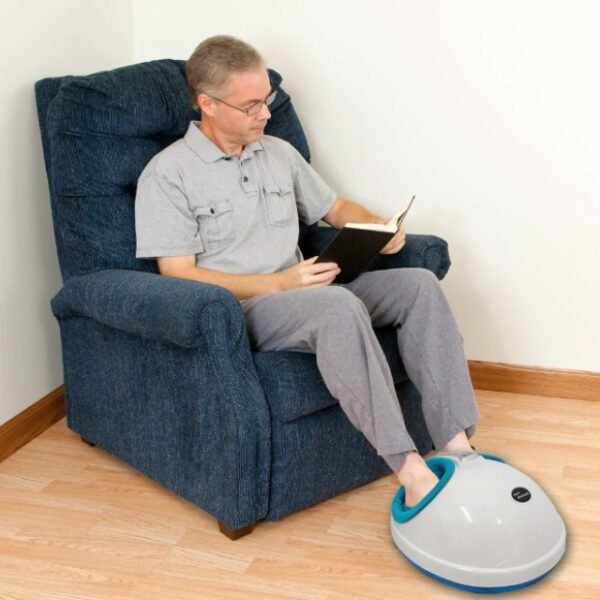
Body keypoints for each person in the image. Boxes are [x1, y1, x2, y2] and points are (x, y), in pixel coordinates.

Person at [135, 35, 480, 508]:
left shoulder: (276, 152)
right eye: (252, 105)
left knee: (418, 285)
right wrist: (279, 283)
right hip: (245, 308)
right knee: (337, 305)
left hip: (308, 288)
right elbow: (176, 274)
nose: (266, 114)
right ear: (207, 104)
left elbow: (334, 207)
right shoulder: (167, 174)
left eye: (268, 100)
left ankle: (459, 448)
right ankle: (409, 468)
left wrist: (375, 225)